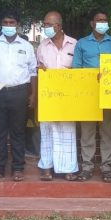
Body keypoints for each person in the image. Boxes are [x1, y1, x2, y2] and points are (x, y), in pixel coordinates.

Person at [0, 9, 37, 182]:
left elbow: (32, 72)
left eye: (12, 23)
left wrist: (33, 94)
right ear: (1, 25)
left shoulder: (26, 46)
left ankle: (18, 168)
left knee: (18, 132)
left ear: (18, 25)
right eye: (6, 23)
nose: (9, 26)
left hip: (20, 91)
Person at [72, 9, 111, 182]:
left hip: (108, 94)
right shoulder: (82, 43)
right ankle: (87, 167)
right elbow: (76, 69)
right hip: (88, 94)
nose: (102, 23)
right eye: (98, 20)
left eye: (104, 20)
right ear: (92, 23)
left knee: (107, 131)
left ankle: (106, 167)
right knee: (87, 131)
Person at [36, 11, 79, 181]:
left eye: (48, 24)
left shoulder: (74, 44)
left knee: (67, 131)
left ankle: (68, 169)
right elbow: (38, 69)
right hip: (48, 96)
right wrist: (40, 70)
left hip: (68, 97)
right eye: (44, 24)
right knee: (47, 131)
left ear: (59, 26)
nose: (45, 27)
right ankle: (47, 168)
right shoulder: (42, 46)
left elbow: (80, 70)